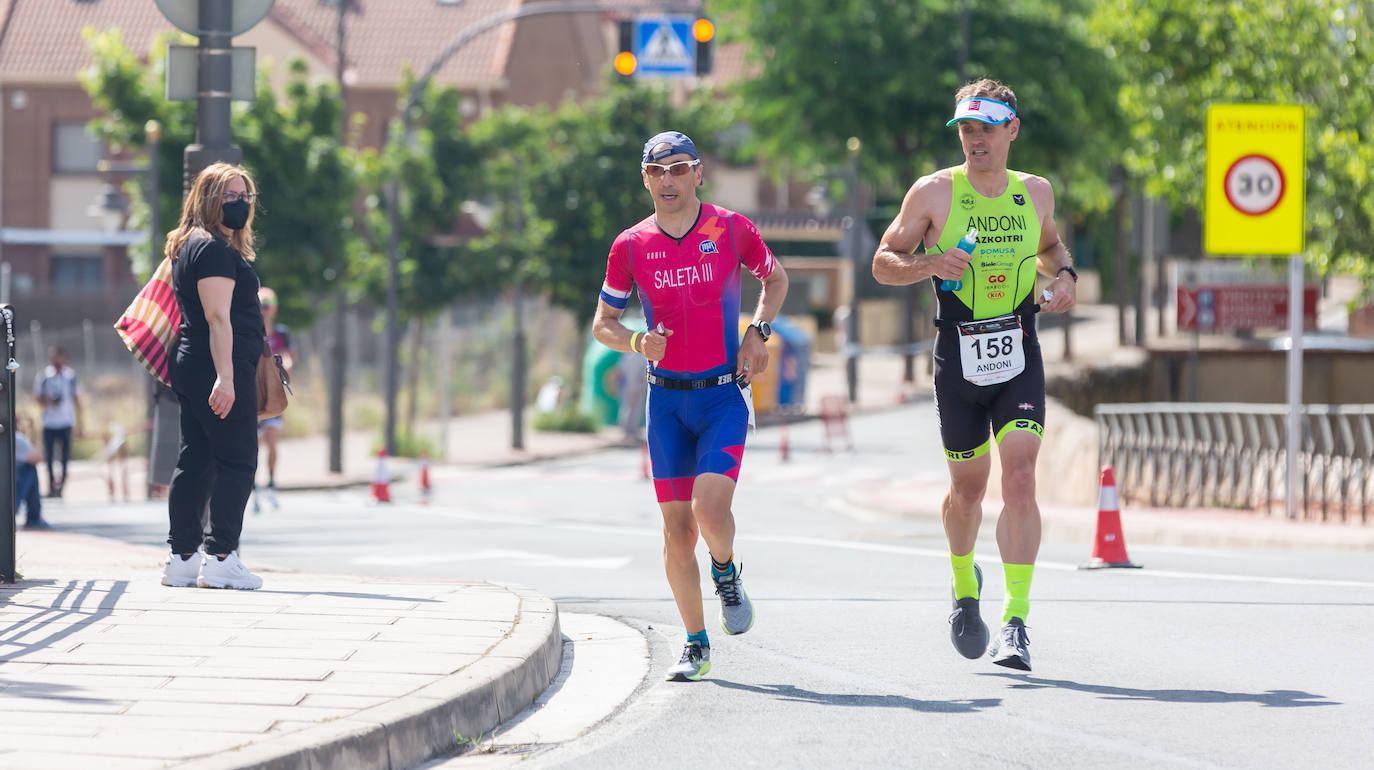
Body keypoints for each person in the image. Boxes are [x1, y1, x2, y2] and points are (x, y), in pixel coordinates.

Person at [871, 79, 1078, 672]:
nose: (974, 139)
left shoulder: (1034, 193)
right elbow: (884, 264)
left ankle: (1016, 621)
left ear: (1012, 129)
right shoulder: (934, 192)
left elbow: (1053, 249)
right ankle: (965, 587)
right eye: (965, 128)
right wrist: (930, 262)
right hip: (957, 353)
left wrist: (1065, 279)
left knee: (1019, 478)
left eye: (986, 128)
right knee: (968, 490)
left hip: (1018, 347)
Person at [592, 131, 789, 681]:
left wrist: (759, 332)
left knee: (710, 510)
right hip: (667, 403)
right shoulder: (630, 245)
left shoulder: (730, 229)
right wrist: (635, 341)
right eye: (658, 172)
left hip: (722, 395)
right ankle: (696, 643)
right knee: (677, 533)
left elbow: (774, 278)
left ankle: (725, 571)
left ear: (698, 173)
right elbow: (603, 324)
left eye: (679, 169)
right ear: (646, 179)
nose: (669, 180)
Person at [159, 162, 266, 590]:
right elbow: (218, 318)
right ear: (209, 200)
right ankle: (221, 556)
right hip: (217, 365)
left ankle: (182, 558)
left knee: (197, 459)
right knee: (237, 460)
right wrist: (226, 379)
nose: (241, 203)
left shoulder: (191, 247)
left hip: (193, 364)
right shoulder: (215, 252)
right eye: (231, 196)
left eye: (246, 197)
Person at [253, 286, 294, 513]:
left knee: (272, 439)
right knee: (254, 444)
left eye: (268, 307)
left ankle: (271, 482)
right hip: (256, 394)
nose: (265, 312)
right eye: (261, 307)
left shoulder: (281, 333)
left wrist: (285, 367)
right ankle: (254, 486)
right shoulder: (252, 331)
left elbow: (289, 357)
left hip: (274, 394)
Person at [33, 346, 82, 497]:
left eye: (59, 357)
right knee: (48, 457)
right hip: (49, 422)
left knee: (65, 457)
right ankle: (51, 484)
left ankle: (62, 487)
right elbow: (37, 398)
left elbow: (77, 400)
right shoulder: (44, 376)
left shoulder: (70, 376)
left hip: (66, 422)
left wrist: (80, 423)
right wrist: (48, 401)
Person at [15, 416, 50, 529]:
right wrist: (35, 436)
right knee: (29, 469)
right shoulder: (16, 438)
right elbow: (39, 457)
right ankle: (34, 518)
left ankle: (34, 518)